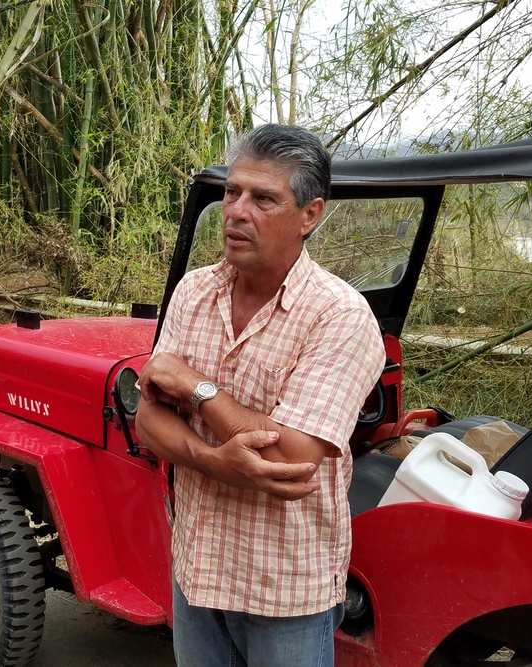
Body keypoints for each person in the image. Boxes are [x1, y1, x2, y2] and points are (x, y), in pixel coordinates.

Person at [134, 124, 385, 666]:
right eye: (231, 192)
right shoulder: (194, 292)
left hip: (285, 590)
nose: (236, 211)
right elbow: (147, 422)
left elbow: (290, 460)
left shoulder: (338, 316)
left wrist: (197, 389)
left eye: (263, 198)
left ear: (310, 215)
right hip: (197, 571)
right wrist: (212, 458)